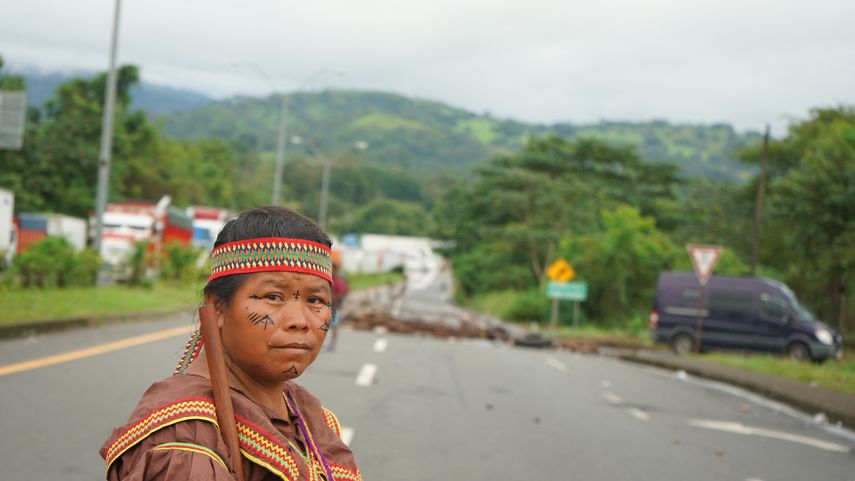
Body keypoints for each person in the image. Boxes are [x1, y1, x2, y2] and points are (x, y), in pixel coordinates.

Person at [100, 206, 362, 481]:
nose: (299, 321)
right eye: (272, 296)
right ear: (217, 307)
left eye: (316, 300)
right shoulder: (185, 441)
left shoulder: (306, 414)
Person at [326, 258, 349, 351]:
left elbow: (344, 292)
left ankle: (332, 344)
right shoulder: (327, 280)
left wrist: (334, 298)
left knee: (334, 326)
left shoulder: (338, 281)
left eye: (333, 269)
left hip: (334, 307)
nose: (331, 271)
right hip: (325, 306)